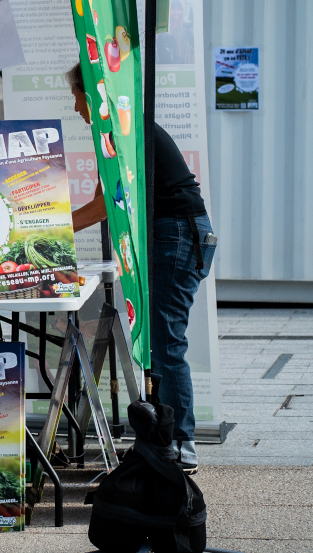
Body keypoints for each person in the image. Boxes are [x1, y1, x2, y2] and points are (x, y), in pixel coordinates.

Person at [65, 63, 216, 473]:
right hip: (176, 234)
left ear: (91, 94)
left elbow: (101, 207)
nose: (76, 107)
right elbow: (104, 199)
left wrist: (54, 226)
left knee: (166, 341)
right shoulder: (113, 130)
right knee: (158, 340)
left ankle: (181, 443)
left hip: (178, 234)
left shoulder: (122, 129)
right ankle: (165, 436)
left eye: (77, 97)